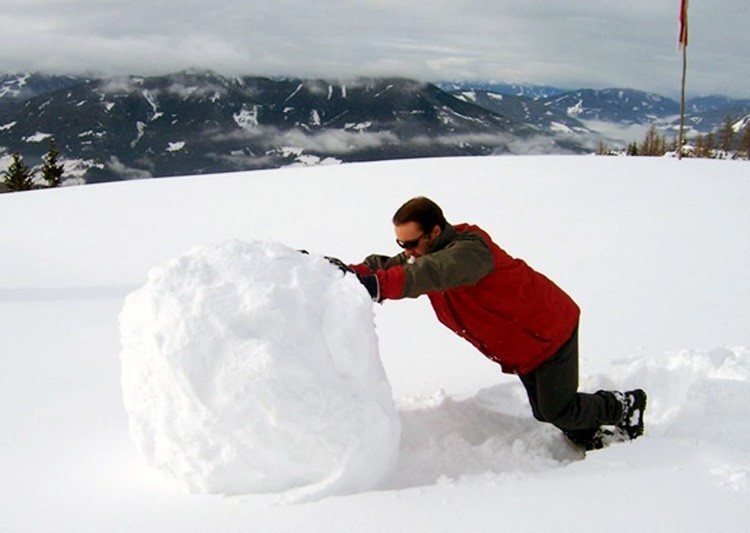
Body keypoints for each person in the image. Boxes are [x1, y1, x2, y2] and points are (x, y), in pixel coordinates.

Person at [346, 196, 646, 451]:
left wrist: (376, 286)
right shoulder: (427, 253)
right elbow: (390, 266)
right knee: (547, 408)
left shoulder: (470, 253)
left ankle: (624, 407)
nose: (406, 250)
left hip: (549, 332)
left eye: (410, 243)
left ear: (434, 232)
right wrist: (343, 273)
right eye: (401, 242)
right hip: (522, 344)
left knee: (556, 409)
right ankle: (584, 429)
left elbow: (427, 274)